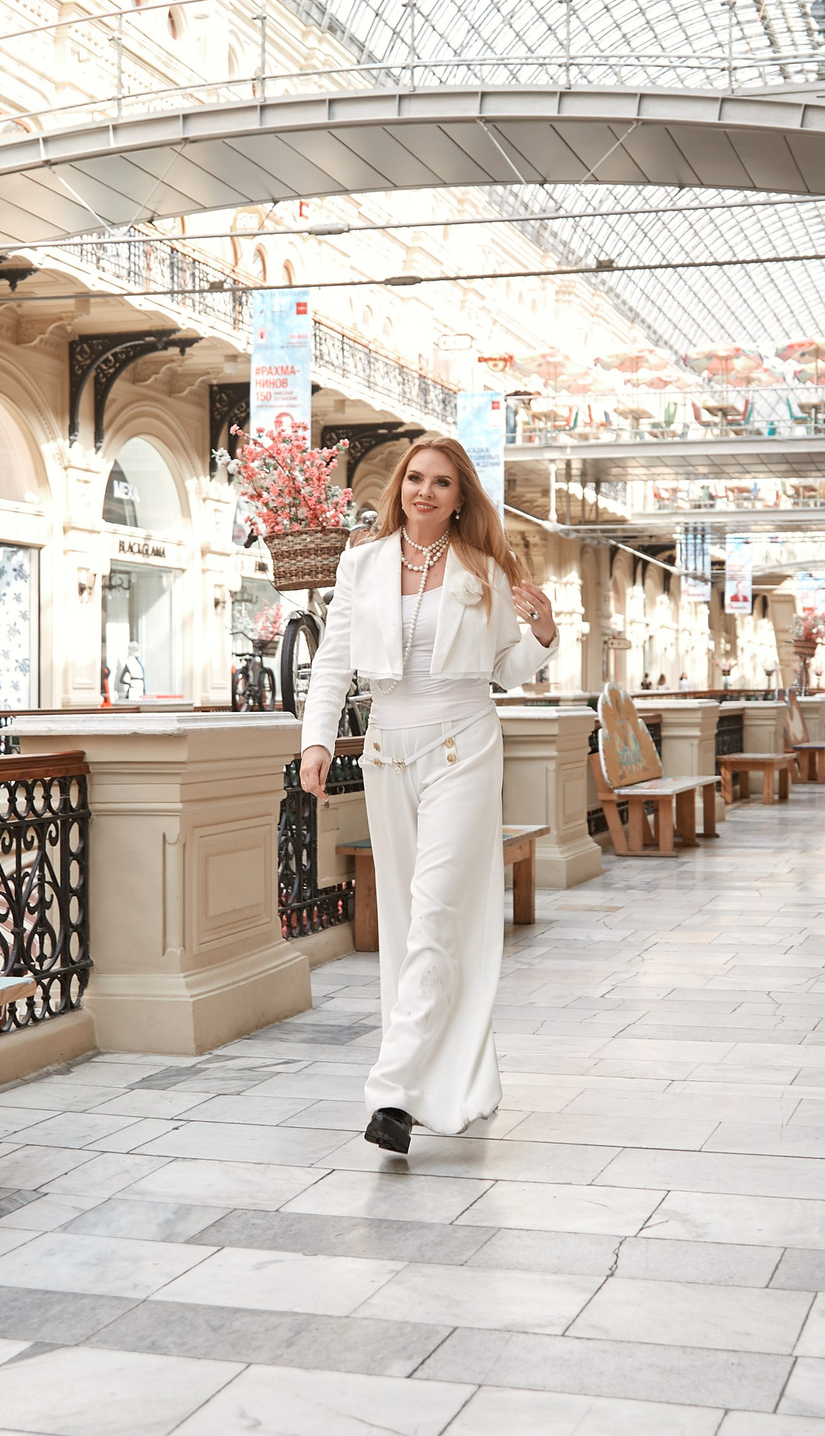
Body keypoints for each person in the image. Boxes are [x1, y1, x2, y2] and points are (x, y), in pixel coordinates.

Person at [298, 436, 557, 1156]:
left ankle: (391, 1092)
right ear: (400, 488)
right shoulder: (362, 563)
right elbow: (331, 662)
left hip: (464, 744)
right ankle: (454, 1082)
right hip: (386, 750)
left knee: (439, 913)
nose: (425, 491)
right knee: (414, 922)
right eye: (415, 478)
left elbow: (509, 666)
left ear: (459, 496)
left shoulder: (484, 569)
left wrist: (543, 630)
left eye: (442, 482)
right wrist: (317, 740)